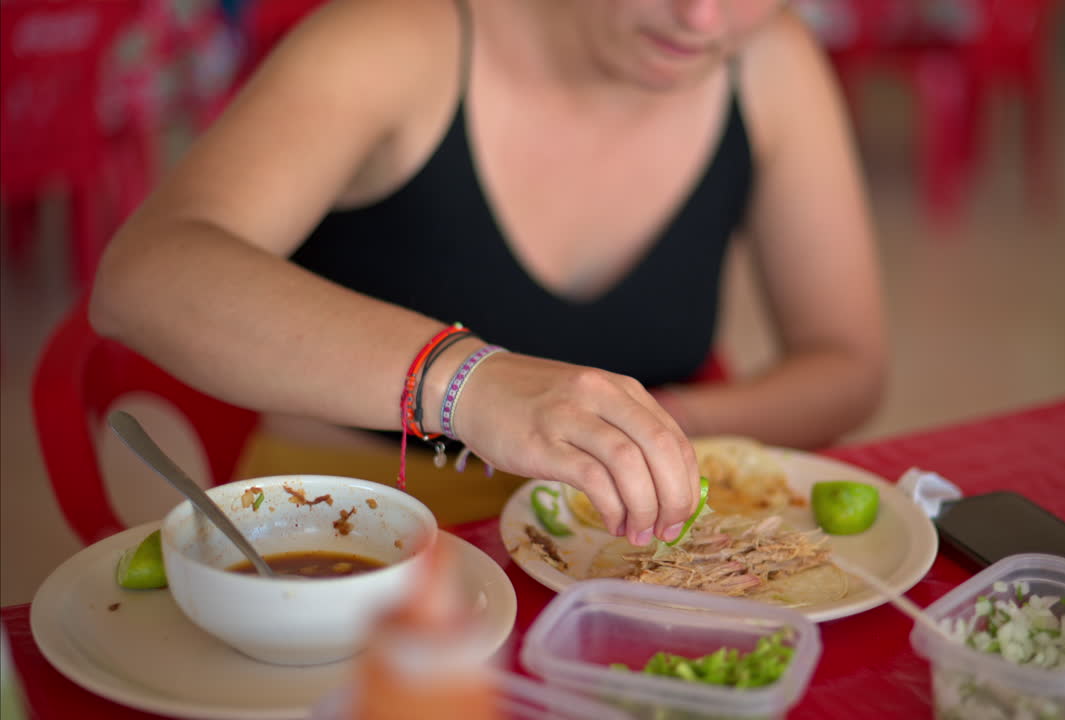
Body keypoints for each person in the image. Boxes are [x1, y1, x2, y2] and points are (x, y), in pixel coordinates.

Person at [88, 0, 886, 549]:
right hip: (347, 531)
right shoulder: (399, 37)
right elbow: (142, 275)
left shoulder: (770, 61)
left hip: (606, 545)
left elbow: (848, 363)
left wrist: (635, 432)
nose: (702, 18)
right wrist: (473, 384)